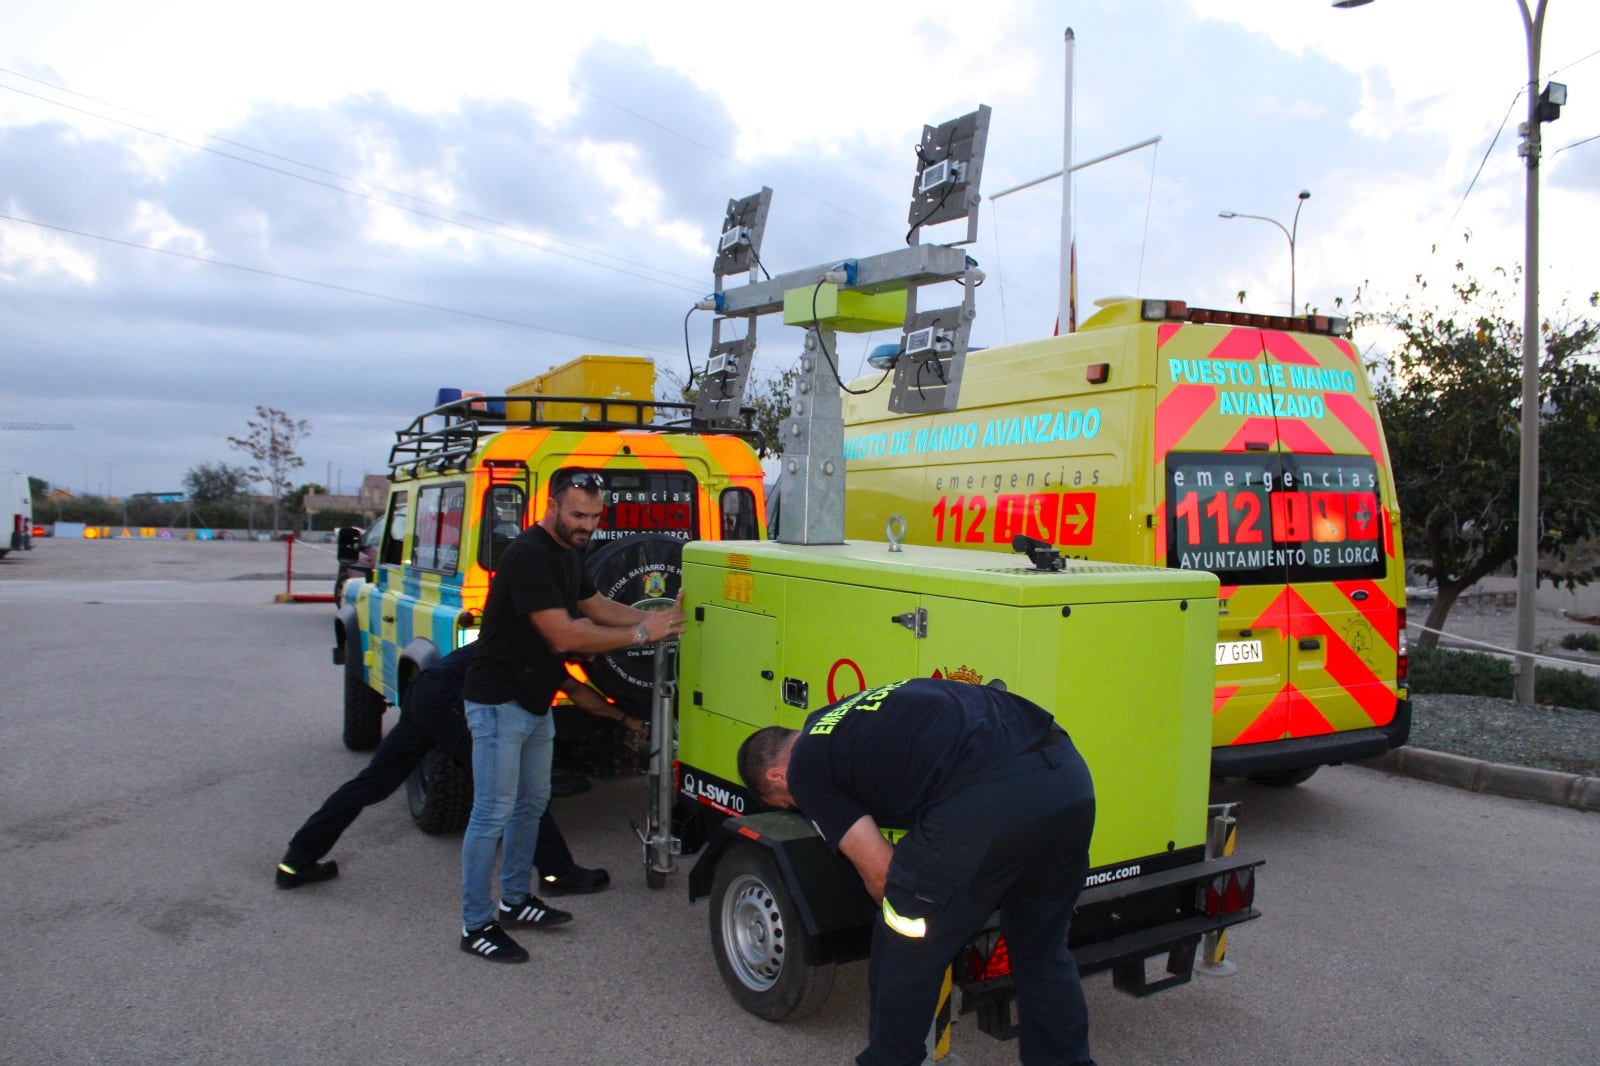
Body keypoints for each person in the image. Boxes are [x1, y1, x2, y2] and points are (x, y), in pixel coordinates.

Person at [738, 678, 1097, 1066]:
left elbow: (879, 873)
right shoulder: (845, 717)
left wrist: (915, 902)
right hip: (1067, 779)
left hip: (988, 797)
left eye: (787, 803)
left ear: (776, 777)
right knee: (1042, 952)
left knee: (903, 942)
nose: (797, 806)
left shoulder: (805, 766)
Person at [459, 468, 684, 964]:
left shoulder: (567, 553)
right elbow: (566, 635)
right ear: (552, 505)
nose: (587, 524)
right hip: (499, 702)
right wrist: (645, 634)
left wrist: (661, 617)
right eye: (578, 514)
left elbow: (597, 605)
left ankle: (515, 901)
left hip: (535, 701)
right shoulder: (529, 555)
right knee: (492, 813)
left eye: (595, 515)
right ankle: (475, 924)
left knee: (530, 805)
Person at [274, 641, 641, 894]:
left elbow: (577, 692)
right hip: (449, 703)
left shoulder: (536, 639)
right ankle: (557, 873)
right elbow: (577, 693)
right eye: (592, 651)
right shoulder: (542, 649)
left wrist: (624, 718)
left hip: (426, 693)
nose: (592, 659)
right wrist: (624, 718)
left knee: (373, 783)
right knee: (514, 787)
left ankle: (298, 859)